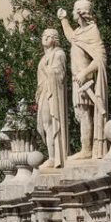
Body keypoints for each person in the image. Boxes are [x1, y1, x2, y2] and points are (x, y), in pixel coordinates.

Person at [59, 0, 107, 160]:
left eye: (73, 10)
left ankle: (86, 149)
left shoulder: (92, 31)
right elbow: (72, 37)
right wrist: (64, 20)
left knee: (85, 113)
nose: (72, 12)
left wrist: (84, 73)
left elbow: (100, 59)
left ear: (80, 13)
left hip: (86, 82)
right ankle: (85, 148)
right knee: (80, 114)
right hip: (77, 81)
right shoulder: (79, 32)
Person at [36, 28, 68, 168]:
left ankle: (54, 157)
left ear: (54, 39)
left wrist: (47, 70)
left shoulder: (59, 54)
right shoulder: (44, 58)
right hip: (44, 92)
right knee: (45, 124)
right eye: (43, 35)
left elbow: (59, 74)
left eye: (48, 36)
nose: (44, 38)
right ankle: (51, 156)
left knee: (50, 123)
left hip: (53, 94)